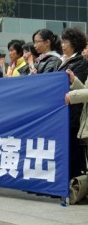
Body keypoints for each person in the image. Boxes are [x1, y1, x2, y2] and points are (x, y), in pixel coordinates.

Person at [58, 27, 88, 179]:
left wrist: (72, 90)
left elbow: (83, 92)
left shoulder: (81, 63)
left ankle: (74, 186)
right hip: (64, 112)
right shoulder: (63, 61)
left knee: (74, 153)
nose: (63, 45)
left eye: (66, 42)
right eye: (62, 42)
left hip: (74, 114)